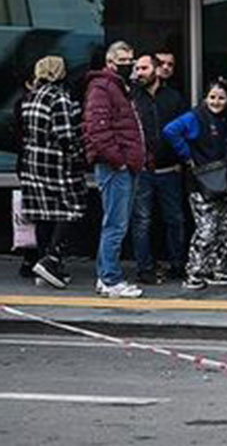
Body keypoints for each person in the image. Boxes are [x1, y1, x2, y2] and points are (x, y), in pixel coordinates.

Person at [162, 78, 227, 290]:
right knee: (206, 229)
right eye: (212, 97)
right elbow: (170, 131)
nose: (216, 102)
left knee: (225, 230)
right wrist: (188, 155)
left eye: (221, 98)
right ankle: (194, 272)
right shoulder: (194, 117)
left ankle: (215, 269)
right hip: (201, 182)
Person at [17, 56, 89, 290]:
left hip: (32, 160)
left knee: (43, 213)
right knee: (71, 208)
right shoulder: (58, 98)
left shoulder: (31, 96)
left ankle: (44, 264)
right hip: (56, 162)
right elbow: (66, 135)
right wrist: (80, 154)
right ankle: (52, 259)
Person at [84, 41, 146, 299]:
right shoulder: (103, 87)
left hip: (125, 165)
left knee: (116, 223)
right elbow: (98, 130)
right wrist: (118, 160)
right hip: (115, 167)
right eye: (123, 59)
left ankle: (106, 276)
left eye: (131, 59)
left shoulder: (119, 87)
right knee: (115, 224)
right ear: (110, 62)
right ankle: (110, 278)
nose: (128, 64)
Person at [130, 54, 189, 285]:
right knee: (142, 220)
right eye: (137, 68)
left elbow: (184, 130)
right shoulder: (132, 97)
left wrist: (182, 159)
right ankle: (145, 267)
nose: (139, 72)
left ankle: (177, 264)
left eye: (143, 68)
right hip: (142, 169)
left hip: (169, 169)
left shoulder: (173, 98)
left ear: (155, 70)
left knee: (175, 219)